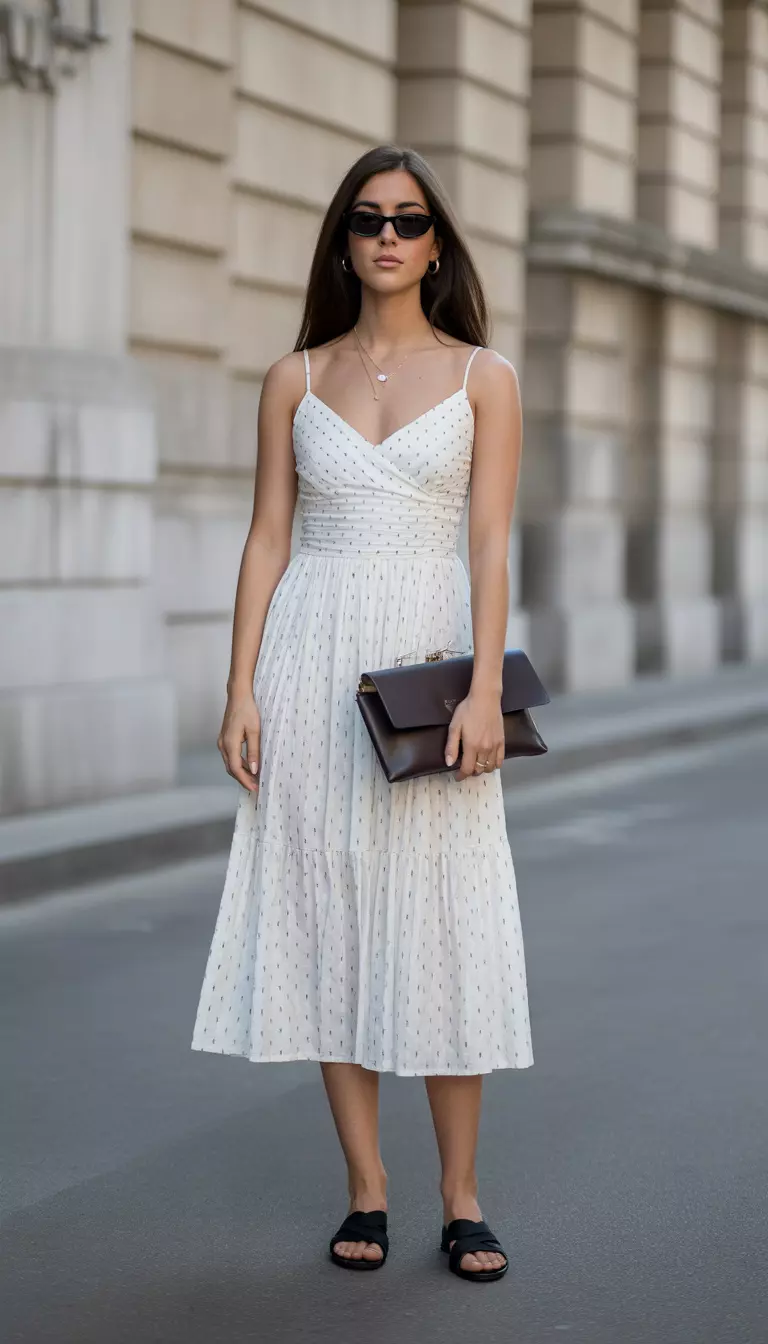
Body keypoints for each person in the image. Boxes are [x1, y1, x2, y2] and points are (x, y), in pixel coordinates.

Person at [191, 144, 533, 1282]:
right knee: (328, 909)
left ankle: (463, 1196)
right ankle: (366, 1188)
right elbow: (267, 538)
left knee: (444, 915)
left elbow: (488, 539)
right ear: (343, 239)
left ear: (437, 245)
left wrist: (486, 684)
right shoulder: (293, 379)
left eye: (410, 220)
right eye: (369, 219)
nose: (389, 236)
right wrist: (240, 685)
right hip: (310, 661)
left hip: (429, 661)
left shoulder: (485, 376)